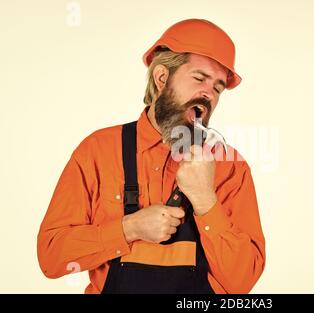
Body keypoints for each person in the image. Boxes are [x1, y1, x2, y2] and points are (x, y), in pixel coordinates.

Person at [37, 19, 265, 294]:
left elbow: (241, 284)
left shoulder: (230, 167)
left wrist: (206, 200)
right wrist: (128, 229)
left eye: (217, 87)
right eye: (199, 78)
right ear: (161, 78)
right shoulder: (97, 151)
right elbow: (52, 258)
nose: (208, 94)